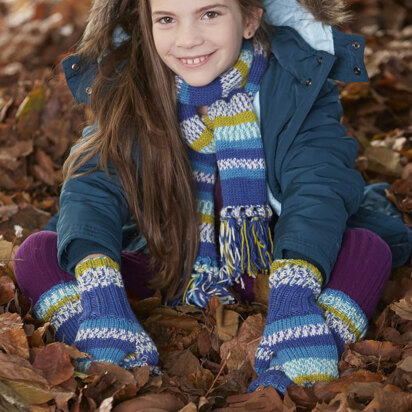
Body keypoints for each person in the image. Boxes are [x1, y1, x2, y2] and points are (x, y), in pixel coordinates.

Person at [14, 0, 412, 394]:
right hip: (176, 263)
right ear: (145, 26)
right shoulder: (133, 91)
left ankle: (298, 343)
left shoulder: (294, 87)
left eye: (210, 14)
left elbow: (318, 186)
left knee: (368, 250)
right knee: (36, 253)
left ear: (250, 19)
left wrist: (293, 289)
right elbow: (93, 187)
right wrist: (100, 288)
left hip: (273, 265)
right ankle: (106, 333)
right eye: (167, 19)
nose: (188, 39)